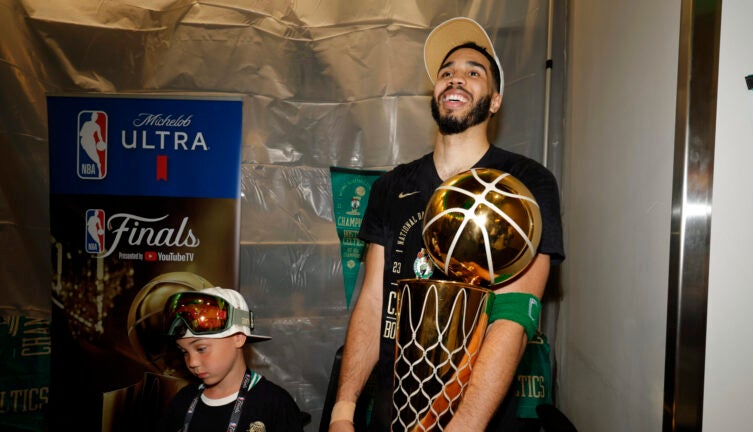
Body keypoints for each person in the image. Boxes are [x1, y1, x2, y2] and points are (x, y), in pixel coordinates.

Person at [329, 17, 565, 432]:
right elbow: (371, 302)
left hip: (477, 418)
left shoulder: (523, 184)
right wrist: (343, 410)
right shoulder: (391, 186)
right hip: (391, 413)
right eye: (447, 72)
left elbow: (515, 313)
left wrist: (465, 425)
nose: (456, 78)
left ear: (494, 101)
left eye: (474, 73)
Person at [156, 287, 305, 432]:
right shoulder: (183, 400)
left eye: (201, 349)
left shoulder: (274, 404)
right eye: (184, 352)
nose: (192, 362)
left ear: (238, 338)